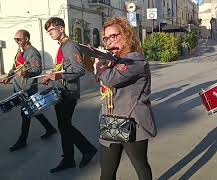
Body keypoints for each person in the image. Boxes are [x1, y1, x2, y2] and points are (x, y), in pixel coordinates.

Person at [95, 17, 157, 180]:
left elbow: (110, 79)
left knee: (141, 167)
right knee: (107, 172)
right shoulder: (114, 61)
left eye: (113, 36)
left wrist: (100, 66)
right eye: (106, 38)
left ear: (126, 35)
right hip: (109, 121)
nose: (109, 41)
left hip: (133, 123)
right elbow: (101, 79)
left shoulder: (135, 59)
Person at [43, 17, 97, 173]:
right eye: (48, 31)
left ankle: (86, 150)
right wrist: (52, 76)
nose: (50, 33)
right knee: (63, 127)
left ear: (61, 28)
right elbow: (63, 68)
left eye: (52, 29)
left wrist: (58, 77)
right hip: (60, 92)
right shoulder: (62, 46)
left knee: (65, 126)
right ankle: (69, 158)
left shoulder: (70, 46)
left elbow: (80, 70)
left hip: (68, 93)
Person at [1, 29, 57, 152]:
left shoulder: (32, 52)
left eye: (19, 39)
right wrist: (8, 76)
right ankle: (50, 128)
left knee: (26, 112)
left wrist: (27, 73)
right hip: (18, 87)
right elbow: (15, 67)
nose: (17, 42)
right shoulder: (20, 51)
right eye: (15, 39)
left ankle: (22, 140)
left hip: (27, 88)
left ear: (26, 38)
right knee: (32, 110)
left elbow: (37, 70)